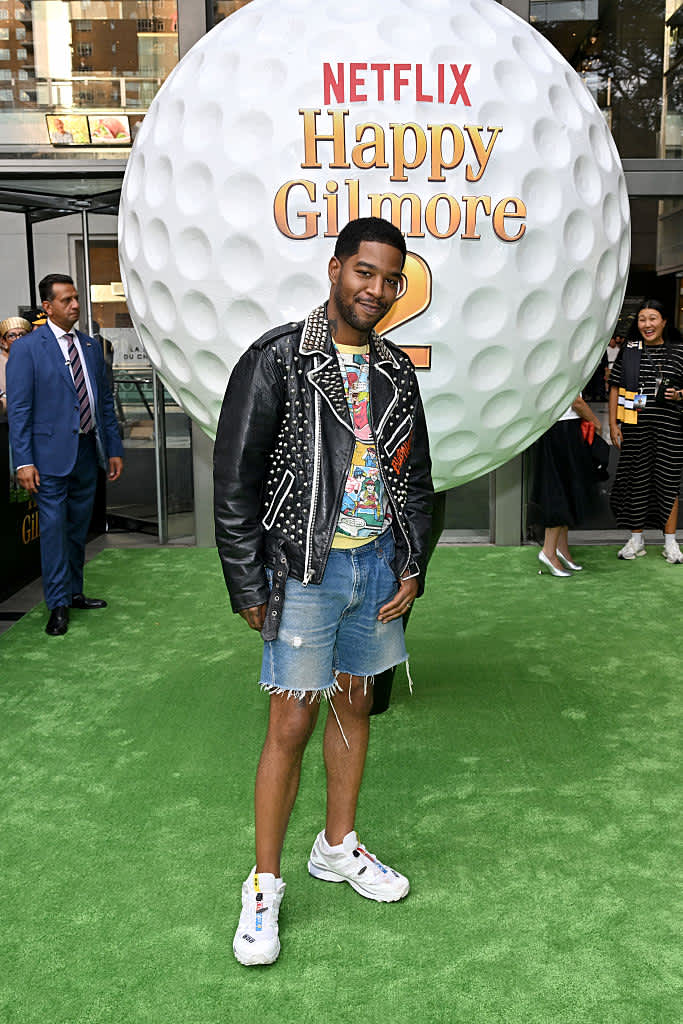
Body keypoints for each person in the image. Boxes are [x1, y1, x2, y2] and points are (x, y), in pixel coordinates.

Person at [214, 217, 433, 966]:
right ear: (335, 268)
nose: (375, 289)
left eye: (389, 279)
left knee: (355, 705)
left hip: (375, 567)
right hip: (302, 572)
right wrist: (247, 580)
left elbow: (414, 478)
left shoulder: (396, 369)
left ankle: (336, 845)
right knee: (289, 725)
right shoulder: (279, 357)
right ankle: (263, 884)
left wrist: (411, 566)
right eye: (364, 272)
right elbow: (235, 479)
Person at [7, 274, 124, 635]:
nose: (75, 305)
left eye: (76, 299)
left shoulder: (90, 346)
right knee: (55, 532)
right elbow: (20, 409)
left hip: (88, 453)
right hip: (47, 460)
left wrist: (114, 449)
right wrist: (23, 461)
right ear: (47, 306)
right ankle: (57, 604)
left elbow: (103, 401)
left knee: (76, 531)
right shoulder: (27, 348)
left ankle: (74, 593)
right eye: (66, 300)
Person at [609, 299, 683, 562]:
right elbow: (615, 386)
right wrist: (612, 424)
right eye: (642, 319)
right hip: (636, 428)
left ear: (664, 321)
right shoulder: (630, 351)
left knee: (669, 484)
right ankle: (636, 540)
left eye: (653, 318)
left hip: (671, 430)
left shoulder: (679, 351)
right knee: (636, 483)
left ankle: (671, 543)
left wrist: (679, 394)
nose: (647, 324)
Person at [531, 394, 604, 576]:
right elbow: (576, 401)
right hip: (563, 430)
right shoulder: (569, 365)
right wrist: (596, 422)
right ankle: (548, 551)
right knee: (560, 490)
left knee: (565, 489)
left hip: (558, 427)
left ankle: (561, 551)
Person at [0, 316, 31, 418]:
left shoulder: (33, 360)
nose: (18, 339)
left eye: (22, 335)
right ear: (3, 341)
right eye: (12, 336)